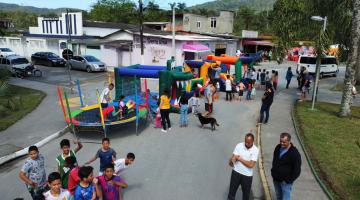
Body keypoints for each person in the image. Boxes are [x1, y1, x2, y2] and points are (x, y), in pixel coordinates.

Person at [227, 133, 259, 200]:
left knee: (246, 196)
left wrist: (239, 159)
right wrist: (232, 160)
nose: (246, 143)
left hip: (247, 176)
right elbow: (232, 161)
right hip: (236, 173)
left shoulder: (255, 150)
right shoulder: (239, 145)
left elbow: (251, 165)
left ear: (253, 141)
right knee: (231, 194)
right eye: (245, 141)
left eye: (248, 142)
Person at [271, 133, 301, 200]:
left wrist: (288, 180)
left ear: (289, 141)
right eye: (280, 141)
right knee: (278, 196)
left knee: (285, 198)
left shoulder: (295, 154)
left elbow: (297, 171)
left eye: (284, 142)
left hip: (285, 183)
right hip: (276, 179)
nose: (281, 143)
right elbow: (275, 160)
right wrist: (273, 172)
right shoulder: (278, 147)